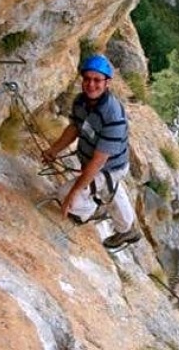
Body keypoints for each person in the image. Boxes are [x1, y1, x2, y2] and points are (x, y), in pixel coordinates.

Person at [42, 54, 142, 249]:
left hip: (109, 167)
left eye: (97, 80)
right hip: (94, 163)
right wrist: (53, 150)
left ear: (107, 83)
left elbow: (98, 162)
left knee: (65, 196)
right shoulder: (81, 101)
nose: (91, 84)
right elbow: (74, 128)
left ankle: (92, 209)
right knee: (107, 187)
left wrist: (73, 193)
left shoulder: (113, 115)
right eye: (87, 79)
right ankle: (127, 229)